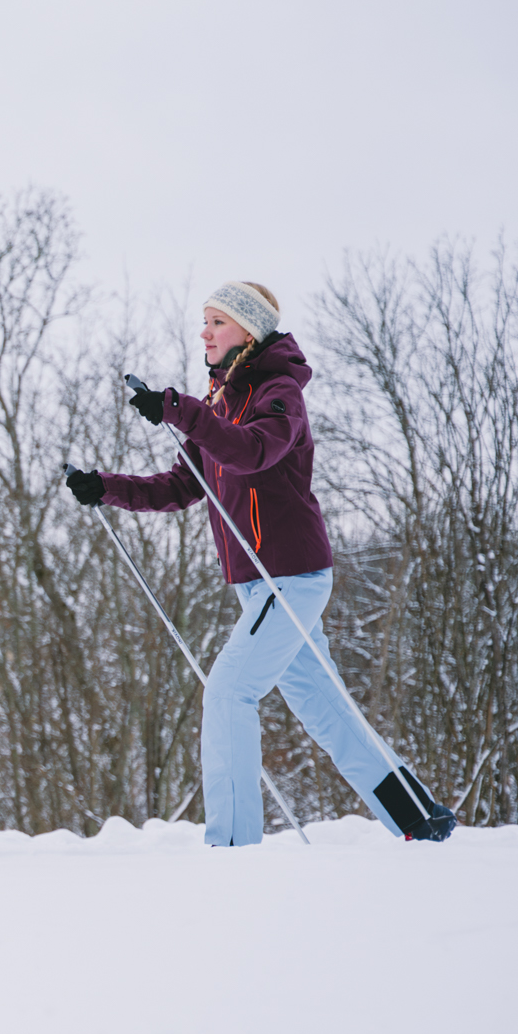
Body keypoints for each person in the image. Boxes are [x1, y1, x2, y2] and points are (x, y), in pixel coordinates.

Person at [64, 281, 455, 846]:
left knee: (228, 693)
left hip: (290, 579)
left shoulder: (278, 393)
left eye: (216, 322)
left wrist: (180, 410)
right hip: (259, 587)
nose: (204, 332)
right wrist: (105, 487)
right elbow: (182, 484)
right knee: (324, 709)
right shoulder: (222, 402)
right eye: (204, 321)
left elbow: (254, 452)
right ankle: (420, 816)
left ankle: (231, 847)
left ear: (248, 331)